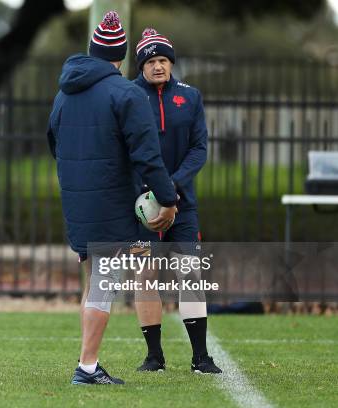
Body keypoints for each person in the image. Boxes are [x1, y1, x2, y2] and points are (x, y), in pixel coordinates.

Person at [47, 12, 178, 385]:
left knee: (93, 282)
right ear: (120, 56)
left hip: (76, 199)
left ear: (92, 51)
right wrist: (167, 200)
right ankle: (87, 367)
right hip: (111, 201)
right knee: (104, 283)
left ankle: (88, 360)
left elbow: (53, 144)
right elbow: (148, 157)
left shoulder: (63, 93)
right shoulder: (127, 93)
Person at [132, 28, 221, 374]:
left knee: (190, 274)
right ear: (141, 65)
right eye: (151, 61)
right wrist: (148, 193)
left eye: (163, 60)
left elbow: (199, 148)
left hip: (183, 203)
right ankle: (154, 357)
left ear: (171, 63)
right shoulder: (127, 96)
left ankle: (201, 357)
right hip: (142, 206)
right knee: (145, 276)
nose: (158, 66)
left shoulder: (191, 96)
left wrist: (172, 186)